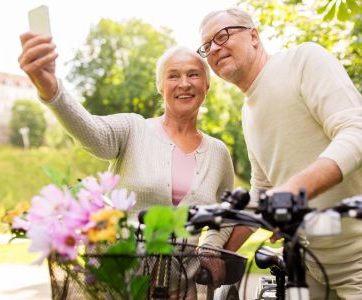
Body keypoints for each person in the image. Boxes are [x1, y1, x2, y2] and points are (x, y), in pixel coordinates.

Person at [198, 8, 362, 300]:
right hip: (310, 261)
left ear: (254, 36)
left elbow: (358, 132)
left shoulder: (303, 60)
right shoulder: (248, 111)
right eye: (206, 46)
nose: (214, 48)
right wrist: (218, 249)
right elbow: (264, 192)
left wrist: (293, 191)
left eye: (222, 36)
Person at [18, 33, 237, 290]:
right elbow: (91, 132)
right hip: (116, 284)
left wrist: (210, 248)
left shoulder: (218, 152)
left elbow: (226, 213)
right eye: (173, 75)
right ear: (160, 86)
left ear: (206, 86)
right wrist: (52, 89)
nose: (184, 83)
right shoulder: (134, 129)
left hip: (179, 290)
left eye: (193, 74)